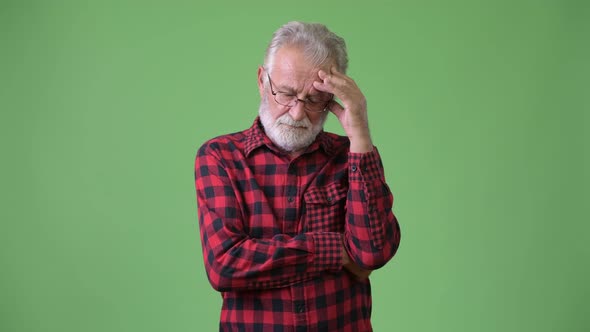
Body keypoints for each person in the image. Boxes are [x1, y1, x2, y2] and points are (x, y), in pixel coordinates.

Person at [194, 21, 401, 331]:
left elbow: (371, 254)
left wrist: (360, 131)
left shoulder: (353, 157)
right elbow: (225, 265)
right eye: (286, 94)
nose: (297, 113)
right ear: (263, 80)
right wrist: (334, 250)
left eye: (315, 100)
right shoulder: (221, 157)